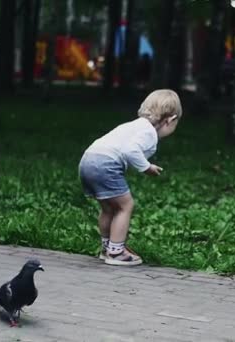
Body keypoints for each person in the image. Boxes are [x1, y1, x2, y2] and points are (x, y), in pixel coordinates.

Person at [78, 89, 182, 266]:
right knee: (125, 206)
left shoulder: (134, 125)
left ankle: (107, 247)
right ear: (170, 120)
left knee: (109, 208)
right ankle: (116, 252)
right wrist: (146, 167)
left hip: (88, 160)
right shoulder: (148, 132)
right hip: (106, 164)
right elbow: (130, 150)